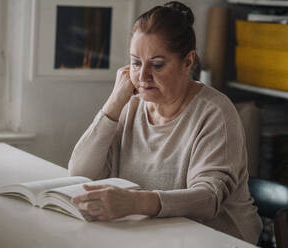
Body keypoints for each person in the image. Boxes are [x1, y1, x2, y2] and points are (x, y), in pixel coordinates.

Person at [68, 1, 262, 244]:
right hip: (155, 236)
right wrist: (114, 102)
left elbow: (208, 199)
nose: (142, 76)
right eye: (136, 62)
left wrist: (134, 202)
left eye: (157, 65)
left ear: (188, 62)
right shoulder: (130, 105)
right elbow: (80, 172)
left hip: (218, 240)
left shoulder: (215, 112)